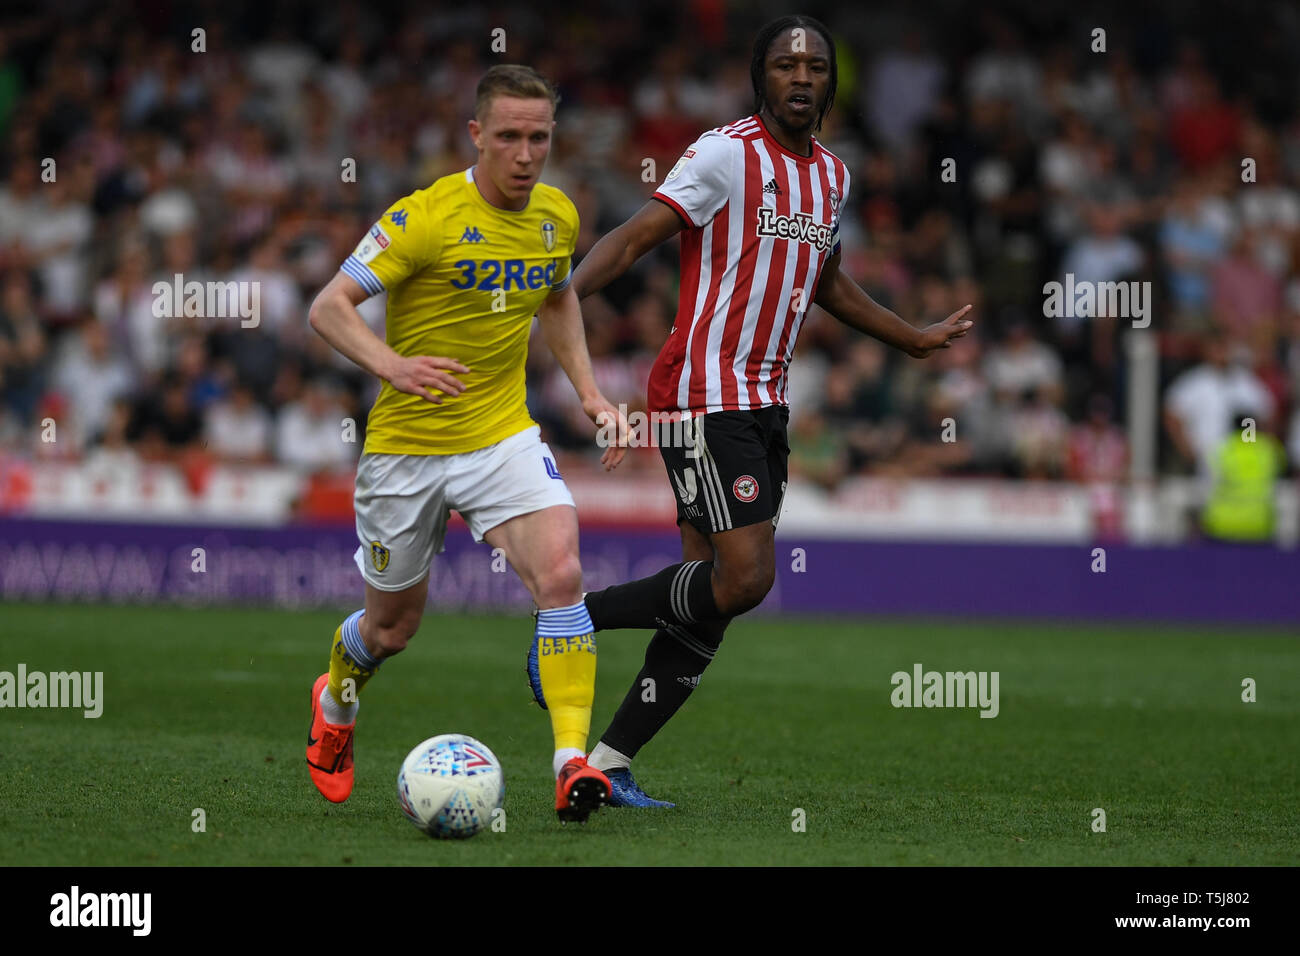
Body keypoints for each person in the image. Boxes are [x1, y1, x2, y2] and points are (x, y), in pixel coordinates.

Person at [561, 15, 974, 806]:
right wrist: (556, 304)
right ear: (763, 77)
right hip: (701, 389)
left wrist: (910, 338)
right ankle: (574, 620)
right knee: (745, 579)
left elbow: (827, 281)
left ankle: (606, 762)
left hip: (763, 402)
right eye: (786, 64)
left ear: (831, 83)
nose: (802, 76)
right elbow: (633, 239)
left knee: (703, 601)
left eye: (816, 65)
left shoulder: (834, 177)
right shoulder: (724, 153)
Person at [305, 64, 627, 823]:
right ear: (477, 135)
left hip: (499, 436)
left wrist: (587, 392)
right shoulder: (426, 216)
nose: (525, 153)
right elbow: (330, 307)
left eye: (539, 137)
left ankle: (570, 763)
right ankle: (336, 703)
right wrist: (394, 365)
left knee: (563, 574)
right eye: (509, 136)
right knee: (391, 630)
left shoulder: (557, 216)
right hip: (406, 451)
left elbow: (558, 293)